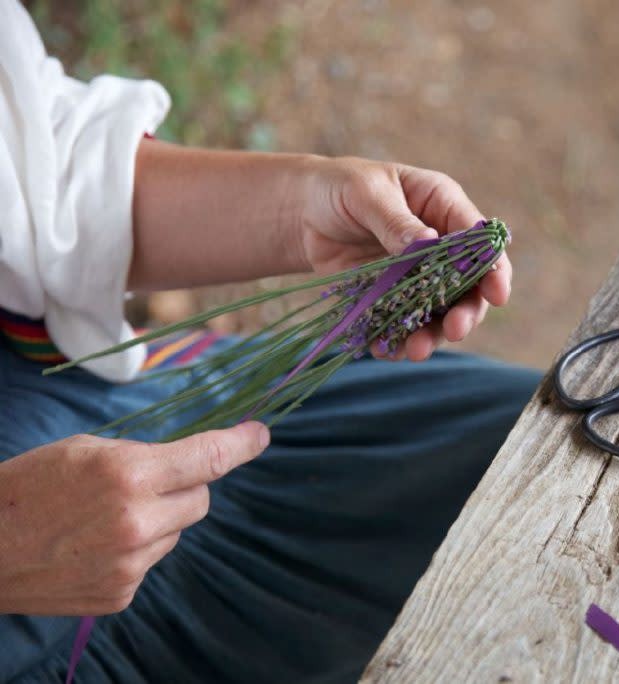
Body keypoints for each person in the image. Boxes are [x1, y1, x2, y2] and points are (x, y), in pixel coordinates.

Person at [0, 2, 540, 681]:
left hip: (122, 410)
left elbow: (33, 182)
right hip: (33, 612)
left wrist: (304, 205)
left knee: (541, 445)